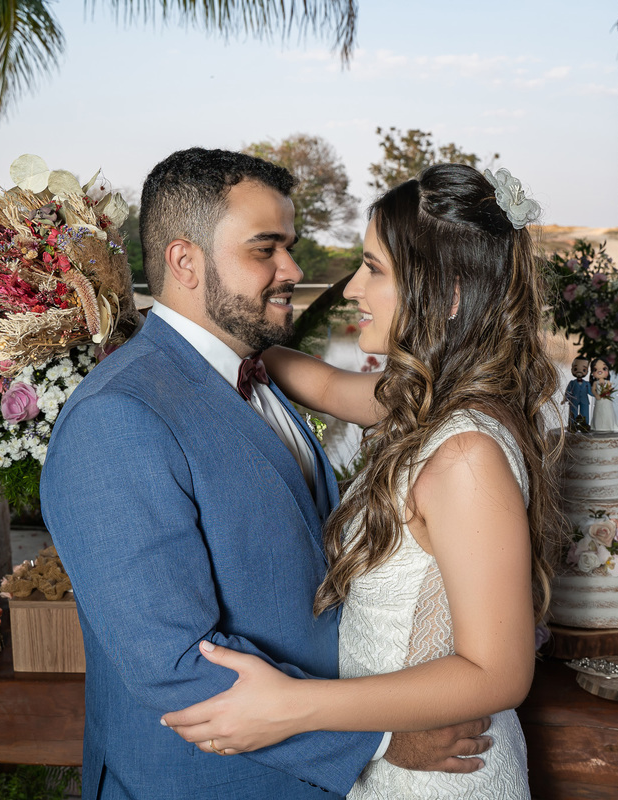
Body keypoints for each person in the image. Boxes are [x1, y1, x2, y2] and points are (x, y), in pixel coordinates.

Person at [40, 149, 491, 800]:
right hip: (207, 781)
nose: (294, 270)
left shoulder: (257, 372)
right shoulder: (118, 417)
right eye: (265, 249)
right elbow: (172, 665)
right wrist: (383, 737)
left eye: (291, 246)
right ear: (185, 261)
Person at [161, 163, 564, 799]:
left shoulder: (464, 454)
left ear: (448, 293)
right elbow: (319, 383)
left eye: (374, 269)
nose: (352, 288)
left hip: (445, 780)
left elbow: (500, 671)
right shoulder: (425, 398)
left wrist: (296, 706)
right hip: (388, 770)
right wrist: (201, 340)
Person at [588, 355, 618, 433]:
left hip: (606, 400)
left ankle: (609, 425)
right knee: (599, 412)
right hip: (599, 400)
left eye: (604, 369)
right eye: (595, 369)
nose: (600, 371)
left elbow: (610, 389)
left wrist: (607, 391)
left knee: (608, 411)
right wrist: (596, 395)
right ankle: (599, 426)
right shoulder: (595, 383)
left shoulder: (608, 382)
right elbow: (593, 390)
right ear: (592, 372)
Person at [564, 356, 591, 431]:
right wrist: (565, 398)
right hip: (573, 400)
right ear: (572, 369)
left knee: (585, 413)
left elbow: (591, 392)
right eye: (575, 369)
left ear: (587, 371)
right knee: (573, 413)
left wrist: (597, 394)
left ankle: (584, 425)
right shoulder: (572, 383)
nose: (579, 371)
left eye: (584, 369)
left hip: (584, 401)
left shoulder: (587, 384)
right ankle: (572, 425)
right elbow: (568, 391)